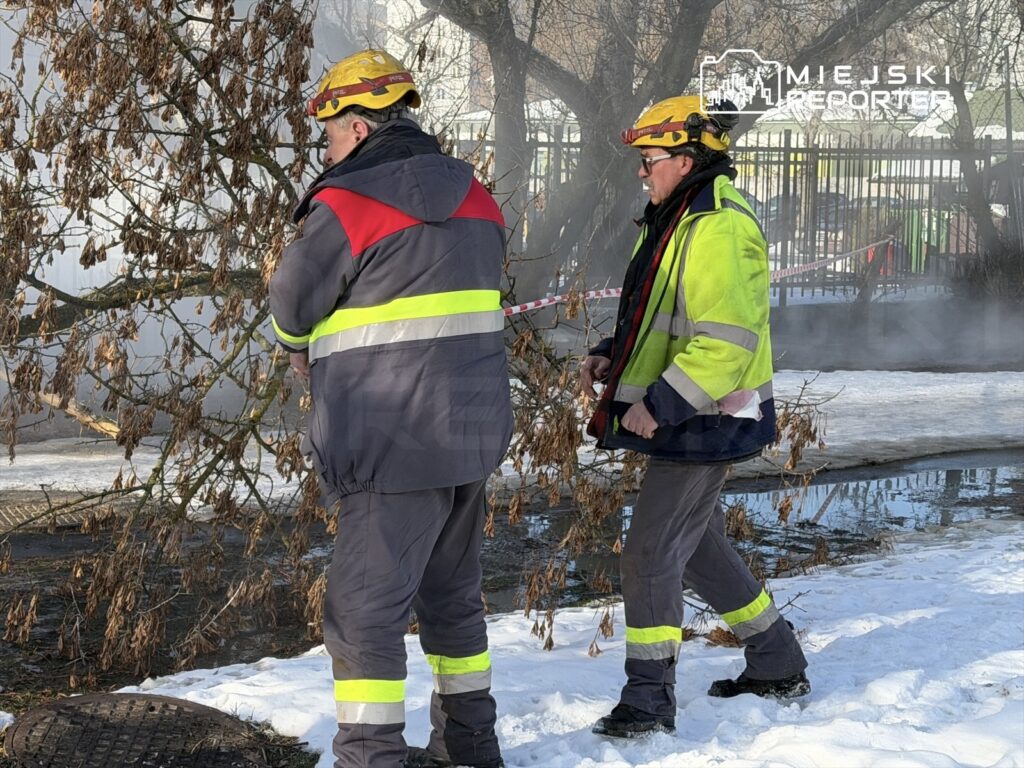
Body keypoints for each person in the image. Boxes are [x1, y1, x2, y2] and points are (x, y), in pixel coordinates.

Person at [269, 49, 511, 768]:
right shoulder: (477, 196)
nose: (327, 152)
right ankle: (469, 747)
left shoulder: (348, 204)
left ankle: (370, 757)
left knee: (362, 615)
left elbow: (292, 300)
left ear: (359, 126)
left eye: (330, 135)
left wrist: (297, 347)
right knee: (452, 598)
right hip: (470, 432)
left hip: (390, 437)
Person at [580, 95, 810, 739]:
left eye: (649, 159)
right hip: (696, 412)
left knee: (651, 551)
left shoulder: (716, 225)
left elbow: (727, 342)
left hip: (706, 415)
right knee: (697, 545)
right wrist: (613, 352)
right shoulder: (678, 216)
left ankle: (650, 699)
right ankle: (776, 659)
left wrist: (659, 404)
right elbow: (658, 311)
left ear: (685, 160)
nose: (641, 171)